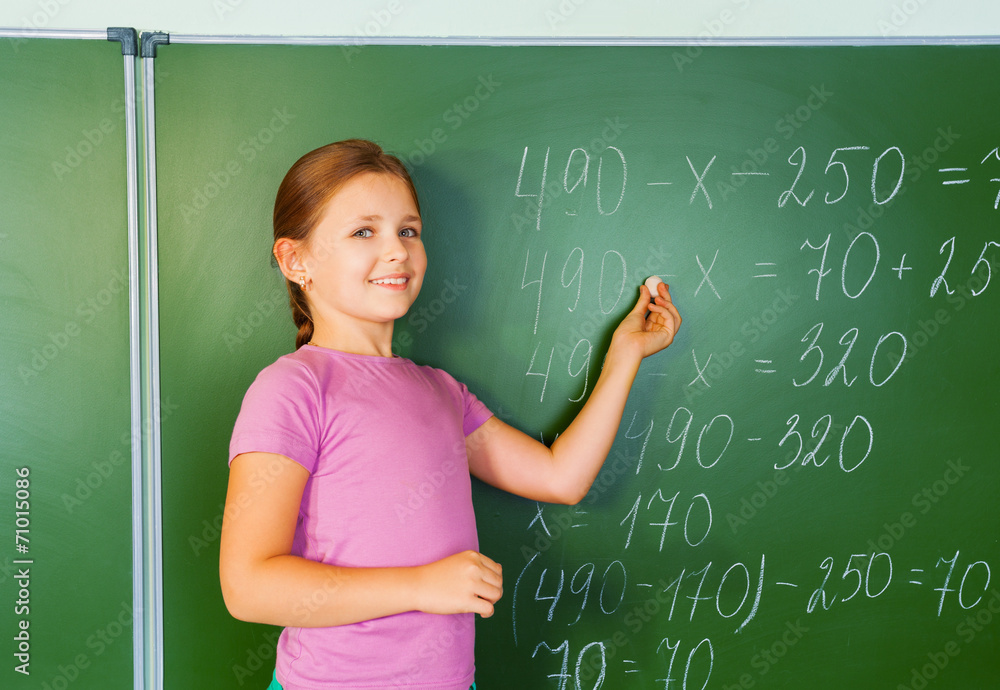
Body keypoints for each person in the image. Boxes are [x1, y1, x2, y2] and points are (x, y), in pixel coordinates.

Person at [219, 139, 681, 690]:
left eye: (408, 231)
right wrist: (421, 586)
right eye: (364, 231)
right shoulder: (293, 389)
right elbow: (248, 586)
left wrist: (624, 356)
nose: (396, 251)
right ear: (296, 260)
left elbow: (561, 477)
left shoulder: (440, 391)